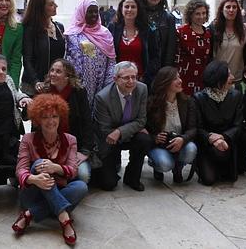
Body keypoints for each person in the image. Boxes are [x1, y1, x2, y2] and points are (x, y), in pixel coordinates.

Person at [13, 94, 87, 245]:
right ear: (38, 120)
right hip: (32, 194)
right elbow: (20, 169)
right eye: (45, 117)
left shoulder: (71, 140)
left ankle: (29, 215)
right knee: (40, 164)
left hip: (57, 191)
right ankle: (64, 219)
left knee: (81, 186)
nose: (51, 121)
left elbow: (73, 170)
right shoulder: (28, 139)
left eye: (54, 116)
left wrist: (56, 168)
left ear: (61, 118)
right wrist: (34, 179)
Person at [35, 59, 99, 183]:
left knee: (83, 176)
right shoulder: (44, 91)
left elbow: (87, 122)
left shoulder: (79, 92)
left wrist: (85, 151)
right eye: (52, 70)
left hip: (74, 146)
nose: (53, 74)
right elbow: (36, 124)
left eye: (58, 71)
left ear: (67, 76)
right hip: (48, 146)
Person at [94, 61, 151, 192]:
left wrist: (120, 131)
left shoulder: (142, 89)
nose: (131, 81)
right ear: (115, 79)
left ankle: (132, 177)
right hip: (109, 140)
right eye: (126, 77)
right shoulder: (102, 97)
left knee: (145, 139)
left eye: (134, 77)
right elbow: (105, 130)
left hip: (124, 134)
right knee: (108, 184)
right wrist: (127, 130)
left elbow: (142, 120)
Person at [194, 61, 242, 186]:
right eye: (228, 75)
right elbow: (197, 127)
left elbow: (238, 125)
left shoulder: (235, 96)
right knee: (209, 180)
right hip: (207, 143)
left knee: (229, 178)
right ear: (218, 79)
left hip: (227, 141)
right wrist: (210, 137)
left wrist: (223, 137)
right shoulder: (199, 98)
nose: (232, 78)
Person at [146, 66, 197, 183]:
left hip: (180, 142)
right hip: (159, 145)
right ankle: (156, 165)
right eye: (175, 78)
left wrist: (182, 139)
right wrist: (155, 138)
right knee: (164, 164)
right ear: (165, 82)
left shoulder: (187, 102)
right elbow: (144, 128)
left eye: (179, 77)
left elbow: (193, 129)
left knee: (191, 149)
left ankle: (178, 167)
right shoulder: (151, 103)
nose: (180, 81)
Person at [65, 0, 116, 110]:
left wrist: (108, 84)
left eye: (96, 12)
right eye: (89, 12)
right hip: (78, 86)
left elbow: (111, 60)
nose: (93, 15)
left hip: (102, 85)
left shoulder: (105, 33)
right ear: (82, 12)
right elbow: (68, 60)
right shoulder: (72, 34)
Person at [21, 0, 65, 96]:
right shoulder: (30, 29)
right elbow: (27, 60)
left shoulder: (59, 27)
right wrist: (36, 81)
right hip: (35, 85)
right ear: (40, 8)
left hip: (54, 83)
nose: (56, 6)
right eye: (51, 4)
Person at [108, 0, 157, 86]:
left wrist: (146, 76)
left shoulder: (147, 30)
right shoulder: (113, 28)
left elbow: (154, 57)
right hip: (118, 81)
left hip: (140, 80)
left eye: (133, 7)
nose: (130, 9)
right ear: (121, 9)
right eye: (126, 6)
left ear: (138, 10)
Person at [175, 0, 213, 95]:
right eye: (197, 14)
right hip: (184, 79)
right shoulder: (181, 32)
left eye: (204, 13)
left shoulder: (208, 33)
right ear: (190, 15)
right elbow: (175, 56)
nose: (201, 16)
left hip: (202, 80)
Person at [138, 0, 178, 69]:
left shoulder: (169, 18)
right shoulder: (137, 15)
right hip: (139, 65)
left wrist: (166, 69)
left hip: (160, 66)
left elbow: (170, 48)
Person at [212, 0, 246, 82]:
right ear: (221, 9)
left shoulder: (244, 29)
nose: (231, 10)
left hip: (236, 78)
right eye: (228, 7)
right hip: (217, 78)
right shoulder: (213, 28)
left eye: (234, 7)